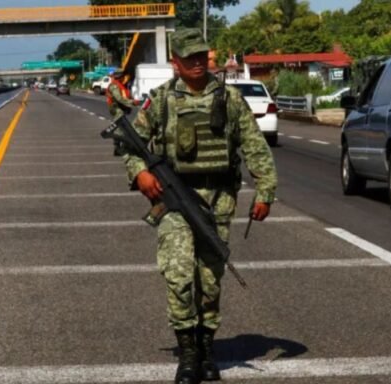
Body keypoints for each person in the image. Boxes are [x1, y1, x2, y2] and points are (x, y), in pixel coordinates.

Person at [122, 28, 277, 384]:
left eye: (200, 56)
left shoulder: (230, 98)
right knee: (178, 275)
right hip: (174, 199)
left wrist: (265, 191)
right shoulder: (160, 100)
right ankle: (188, 355)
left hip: (218, 199)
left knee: (209, 279)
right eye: (188, 57)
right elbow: (131, 145)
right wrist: (140, 174)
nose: (196, 62)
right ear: (175, 62)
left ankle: (207, 350)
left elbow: (254, 146)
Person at [107, 69, 139, 156]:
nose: (125, 78)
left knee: (122, 128)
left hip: (120, 109)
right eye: (123, 76)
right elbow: (119, 99)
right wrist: (132, 103)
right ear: (119, 77)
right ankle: (117, 148)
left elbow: (124, 96)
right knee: (119, 128)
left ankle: (119, 147)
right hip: (116, 109)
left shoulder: (120, 85)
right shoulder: (114, 86)